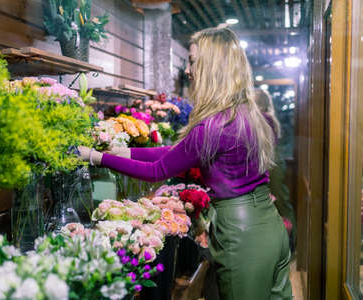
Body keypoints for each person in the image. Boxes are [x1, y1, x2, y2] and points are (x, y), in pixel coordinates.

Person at [79, 27, 292, 299]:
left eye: (192, 61)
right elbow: (177, 152)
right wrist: (125, 153)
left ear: (210, 66)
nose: (187, 71)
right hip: (268, 225)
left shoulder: (212, 126)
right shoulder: (245, 114)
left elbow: (159, 170)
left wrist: (97, 157)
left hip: (242, 233)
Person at [254, 87, 297, 250]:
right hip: (274, 162)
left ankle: (290, 243)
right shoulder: (268, 117)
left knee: (279, 201)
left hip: (271, 163)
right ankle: (289, 242)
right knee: (281, 201)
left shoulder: (263, 118)